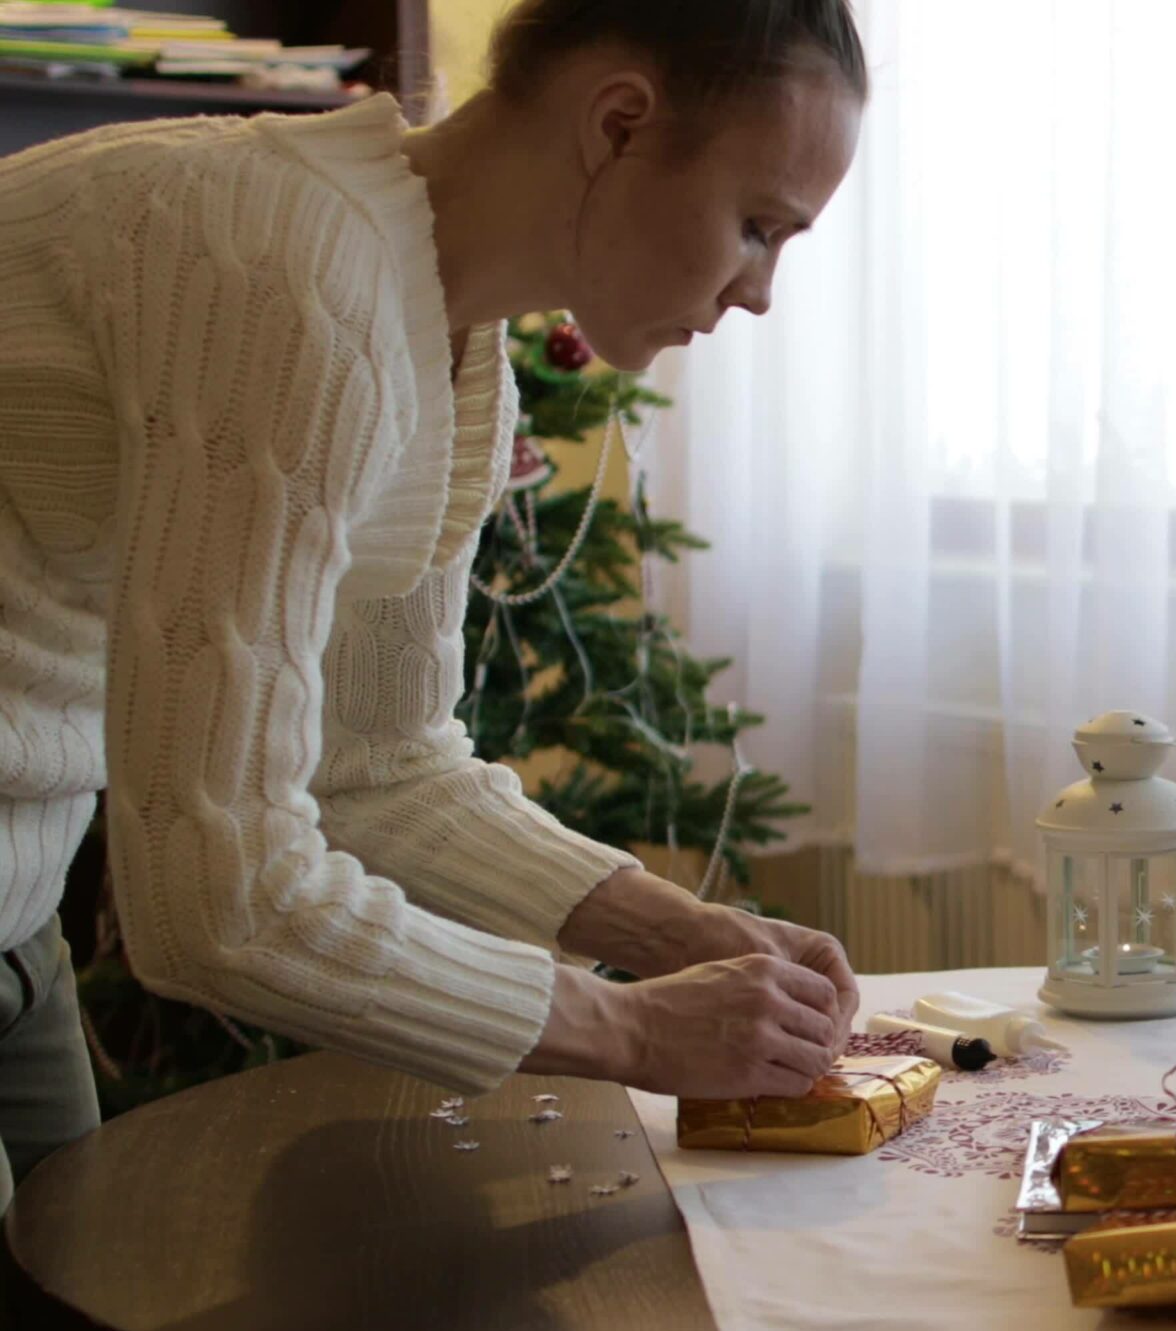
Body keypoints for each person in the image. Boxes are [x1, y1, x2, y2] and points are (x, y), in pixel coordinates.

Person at [0, 0, 870, 1208]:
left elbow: (379, 766)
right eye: (758, 225)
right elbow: (218, 902)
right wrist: (628, 1032)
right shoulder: (287, 272)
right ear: (619, 124)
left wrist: (674, 930)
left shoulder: (454, 350)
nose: (761, 292)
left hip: (17, 895)